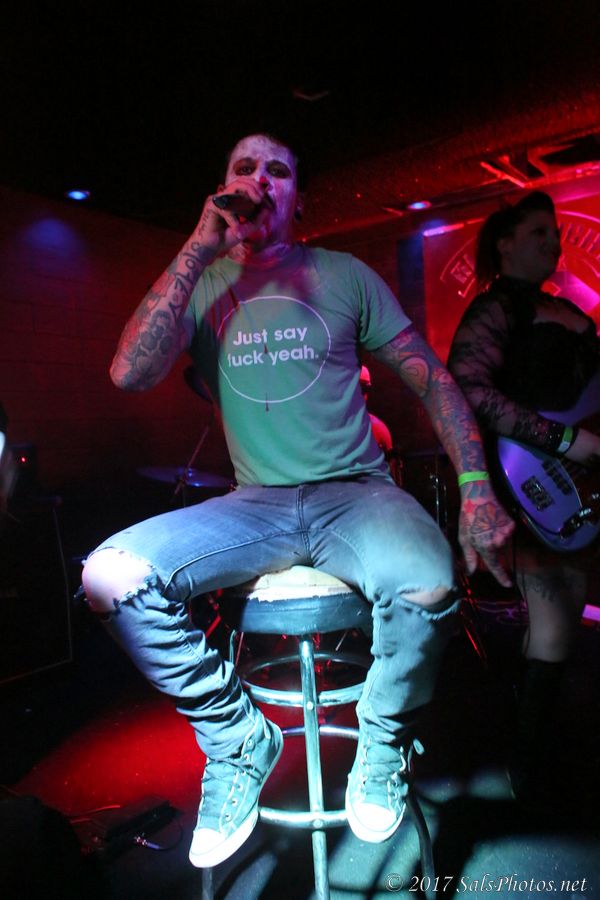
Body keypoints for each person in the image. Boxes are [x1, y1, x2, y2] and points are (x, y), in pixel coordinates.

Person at [82, 133, 513, 867]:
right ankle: (238, 739)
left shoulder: (344, 275)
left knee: (429, 581)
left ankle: (382, 740)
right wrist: (198, 245)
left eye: (276, 170)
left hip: (355, 491)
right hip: (256, 505)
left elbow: (433, 380)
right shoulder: (207, 281)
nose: (259, 181)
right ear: (223, 186)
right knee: (108, 577)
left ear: (298, 198)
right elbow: (129, 372)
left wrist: (476, 488)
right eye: (243, 168)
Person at [447, 190, 600, 804]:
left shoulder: (563, 306)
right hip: (536, 475)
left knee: (567, 612)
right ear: (505, 243)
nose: (553, 243)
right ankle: (529, 762)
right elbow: (467, 389)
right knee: (556, 620)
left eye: (556, 234)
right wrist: (565, 440)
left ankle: (543, 749)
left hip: (584, 473)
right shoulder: (495, 309)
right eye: (539, 233)